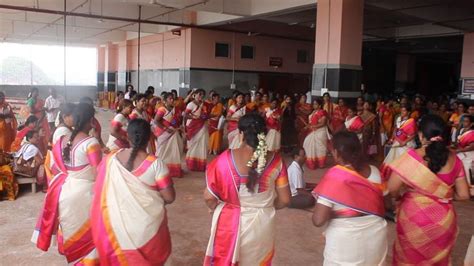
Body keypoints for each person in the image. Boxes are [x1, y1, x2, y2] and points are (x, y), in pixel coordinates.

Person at [203, 113, 291, 265]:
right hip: (263, 222)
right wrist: (264, 206)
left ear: (240, 133)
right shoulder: (277, 161)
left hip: (229, 222)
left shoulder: (224, 160)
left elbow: (209, 197)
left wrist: (217, 208)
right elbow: (285, 199)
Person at [385, 115, 470, 265]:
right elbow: (464, 195)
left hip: (414, 219)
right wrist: (444, 194)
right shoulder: (455, 159)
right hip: (443, 220)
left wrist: (398, 197)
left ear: (421, 135)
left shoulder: (411, 157)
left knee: (410, 259)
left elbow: (392, 188)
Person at [91, 119, 175, 265]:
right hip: (148, 229)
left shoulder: (110, 159)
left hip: (116, 226)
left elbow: (100, 185)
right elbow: (169, 197)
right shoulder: (156, 164)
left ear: (127, 137)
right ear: (150, 137)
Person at [33, 103, 102, 264]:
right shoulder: (90, 143)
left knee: (73, 229)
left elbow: (57, 166)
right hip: (85, 194)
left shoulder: (63, 139)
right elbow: (97, 174)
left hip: (66, 191)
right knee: (91, 239)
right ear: (91, 120)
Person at [312, 131, 388, 265]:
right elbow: (384, 203)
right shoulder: (375, 171)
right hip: (376, 238)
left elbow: (318, 220)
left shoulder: (335, 176)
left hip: (346, 244)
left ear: (336, 152)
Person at [153, 92, 183, 178]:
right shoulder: (162, 109)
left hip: (174, 132)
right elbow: (156, 121)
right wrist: (166, 129)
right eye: (170, 99)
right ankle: (159, 169)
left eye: (173, 98)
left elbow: (178, 120)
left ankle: (173, 170)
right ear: (165, 100)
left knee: (175, 150)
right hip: (163, 133)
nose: (172, 100)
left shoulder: (176, 109)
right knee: (162, 151)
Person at [382, 105, 417, 171]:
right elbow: (395, 129)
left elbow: (413, 135)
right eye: (401, 110)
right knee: (394, 158)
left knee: (404, 160)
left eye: (404, 111)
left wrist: (404, 142)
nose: (402, 112)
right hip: (397, 141)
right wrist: (391, 139)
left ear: (408, 112)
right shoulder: (398, 119)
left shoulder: (411, 121)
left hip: (406, 143)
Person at [184, 89, 209, 172]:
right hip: (192, 126)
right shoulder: (191, 104)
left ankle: (200, 165)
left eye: (202, 95)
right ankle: (191, 164)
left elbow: (205, 115)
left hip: (202, 126)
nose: (201, 96)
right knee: (192, 145)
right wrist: (194, 117)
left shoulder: (204, 105)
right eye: (199, 94)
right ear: (194, 95)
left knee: (202, 145)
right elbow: (185, 115)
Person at [303, 98, 328, 169]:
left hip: (320, 132)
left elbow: (323, 123)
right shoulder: (313, 112)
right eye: (313, 104)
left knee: (320, 148)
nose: (314, 105)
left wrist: (313, 126)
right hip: (312, 131)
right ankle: (312, 163)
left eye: (316, 104)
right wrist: (307, 127)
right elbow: (310, 122)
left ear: (320, 105)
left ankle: (321, 163)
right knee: (307, 144)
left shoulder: (322, 112)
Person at [454, 115, 474, 195]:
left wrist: (459, 150)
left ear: (471, 123)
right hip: (461, 154)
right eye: (463, 121)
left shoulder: (472, 133)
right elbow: (457, 142)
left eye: (466, 121)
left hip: (469, 155)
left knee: (467, 171)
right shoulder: (461, 130)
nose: (464, 123)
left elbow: (472, 147)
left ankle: (471, 191)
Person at [26, 87, 49, 153]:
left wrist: (41, 118)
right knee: (37, 135)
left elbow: (44, 110)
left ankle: (45, 151)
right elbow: (31, 110)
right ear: (32, 93)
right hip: (34, 121)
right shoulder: (31, 100)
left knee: (44, 135)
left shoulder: (40, 100)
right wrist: (40, 110)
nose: (36, 93)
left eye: (37, 92)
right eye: (34, 92)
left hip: (43, 119)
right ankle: (38, 151)